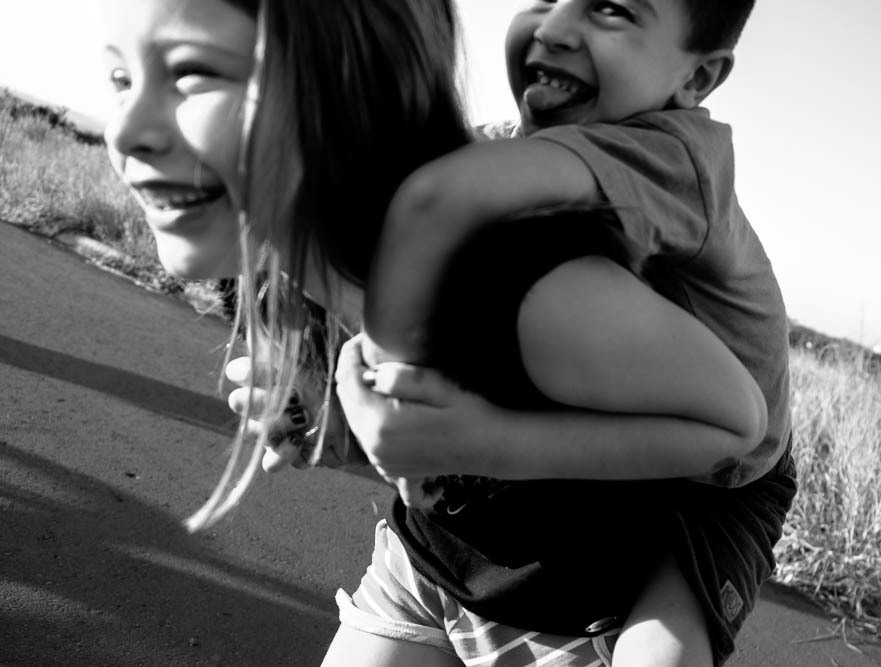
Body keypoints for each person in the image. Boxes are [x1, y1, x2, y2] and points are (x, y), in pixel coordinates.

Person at [101, 1, 793, 666]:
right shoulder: (318, 258)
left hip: (703, 501)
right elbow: (436, 430)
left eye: (193, 71)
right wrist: (341, 427)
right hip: (460, 549)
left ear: (347, 84)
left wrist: (474, 437)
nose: (124, 130)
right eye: (120, 76)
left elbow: (736, 425)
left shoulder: (557, 247)